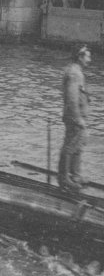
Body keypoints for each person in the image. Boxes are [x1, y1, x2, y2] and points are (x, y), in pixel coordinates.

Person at [58, 44, 92, 192]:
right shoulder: (74, 73)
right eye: (87, 57)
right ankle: (65, 178)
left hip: (77, 117)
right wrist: (78, 119)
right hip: (74, 117)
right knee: (71, 147)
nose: (89, 60)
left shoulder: (76, 71)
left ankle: (75, 175)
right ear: (79, 57)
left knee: (78, 146)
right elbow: (72, 99)